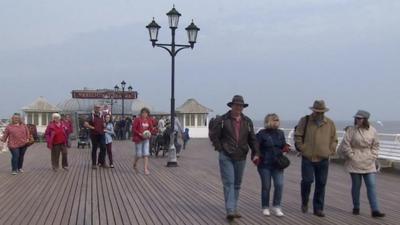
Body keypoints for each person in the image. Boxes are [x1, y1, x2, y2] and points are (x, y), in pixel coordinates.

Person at [209, 95, 260, 222]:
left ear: (243, 107)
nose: (238, 107)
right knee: (229, 183)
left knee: (237, 184)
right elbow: (214, 136)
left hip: (241, 155)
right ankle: (230, 210)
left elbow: (252, 139)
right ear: (231, 106)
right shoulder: (222, 120)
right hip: (226, 155)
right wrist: (220, 148)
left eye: (241, 106)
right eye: (236, 105)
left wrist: (256, 152)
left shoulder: (247, 121)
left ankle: (234, 207)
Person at [294, 100, 338, 217]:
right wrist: (302, 148)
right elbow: (298, 135)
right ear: (313, 110)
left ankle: (318, 208)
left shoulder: (330, 123)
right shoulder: (305, 120)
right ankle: (304, 201)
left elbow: (334, 139)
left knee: (321, 183)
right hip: (308, 156)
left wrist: (330, 150)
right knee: (307, 181)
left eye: (321, 112)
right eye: (317, 111)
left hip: (323, 158)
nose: (319, 114)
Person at [340, 110, 385, 218]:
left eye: (360, 118)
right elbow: (346, 144)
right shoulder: (351, 130)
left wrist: (373, 156)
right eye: (356, 118)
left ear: (365, 119)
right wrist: (352, 156)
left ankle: (375, 210)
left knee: (372, 185)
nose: (357, 120)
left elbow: (376, 145)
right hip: (354, 161)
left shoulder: (372, 130)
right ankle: (356, 207)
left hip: (369, 161)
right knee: (356, 186)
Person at [256, 113, 289, 217]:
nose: (276, 122)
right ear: (268, 121)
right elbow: (256, 147)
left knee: (279, 184)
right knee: (266, 186)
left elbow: (283, 145)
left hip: (277, 164)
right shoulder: (261, 134)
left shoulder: (280, 133)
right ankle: (265, 207)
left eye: (277, 120)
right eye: (274, 120)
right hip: (264, 164)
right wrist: (256, 156)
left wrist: (286, 147)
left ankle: (277, 206)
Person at [132, 107, 154, 175]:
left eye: (146, 113)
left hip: (146, 139)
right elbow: (133, 128)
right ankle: (134, 164)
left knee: (146, 154)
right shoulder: (137, 119)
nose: (144, 114)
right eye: (143, 112)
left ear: (147, 114)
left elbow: (151, 128)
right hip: (139, 139)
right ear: (141, 113)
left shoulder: (148, 120)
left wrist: (150, 133)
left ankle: (145, 169)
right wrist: (139, 133)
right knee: (139, 155)